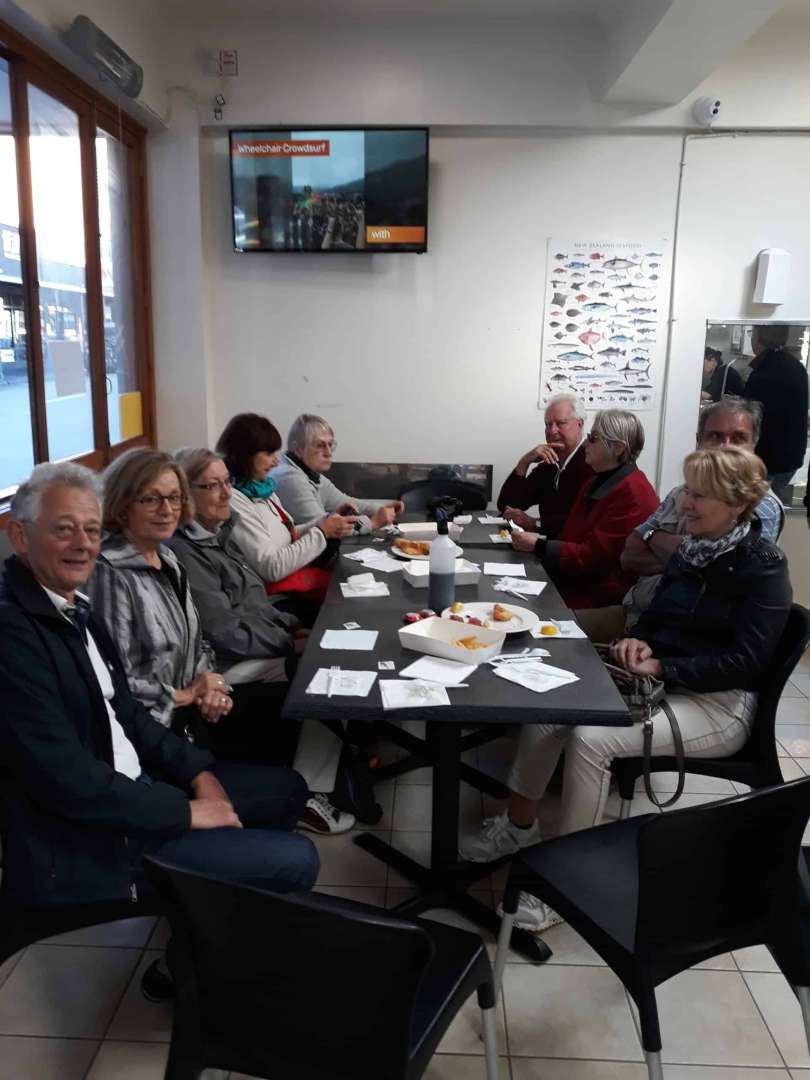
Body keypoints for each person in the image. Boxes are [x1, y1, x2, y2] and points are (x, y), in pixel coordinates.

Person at [0, 462, 319, 996]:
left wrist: (199, 775)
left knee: (286, 790)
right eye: (63, 529)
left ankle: (205, 935)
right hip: (92, 842)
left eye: (91, 529)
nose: (82, 544)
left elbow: (126, 714)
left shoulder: (72, 606)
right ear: (18, 534)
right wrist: (188, 811)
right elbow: (68, 782)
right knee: (295, 859)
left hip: (139, 791)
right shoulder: (14, 635)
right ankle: (202, 978)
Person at [462, 448, 791, 933]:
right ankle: (518, 826)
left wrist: (664, 664)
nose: (688, 505)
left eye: (701, 496)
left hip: (718, 704)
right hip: (660, 681)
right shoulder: (693, 549)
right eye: (690, 492)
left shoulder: (763, 567)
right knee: (553, 704)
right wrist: (641, 641)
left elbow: (747, 662)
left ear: (738, 503)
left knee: (593, 741)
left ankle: (568, 885)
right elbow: (657, 615)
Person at [169, 447, 355, 835]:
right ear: (186, 495)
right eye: (212, 486)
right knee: (324, 674)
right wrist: (292, 646)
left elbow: (256, 603)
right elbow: (227, 633)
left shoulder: (221, 533)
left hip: (258, 644)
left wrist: (292, 628)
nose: (225, 493)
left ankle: (331, 772)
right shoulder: (185, 553)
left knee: (335, 653)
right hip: (226, 665)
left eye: (226, 483)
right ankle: (309, 794)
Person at [578, 397, 785, 642]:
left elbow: (715, 574)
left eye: (738, 438)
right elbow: (630, 555)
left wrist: (654, 538)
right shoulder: (682, 492)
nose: (725, 447)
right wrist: (672, 546)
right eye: (715, 436)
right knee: (548, 628)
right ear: (699, 440)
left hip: (680, 637)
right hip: (637, 615)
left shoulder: (763, 505)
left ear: (754, 444)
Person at [510, 409, 658, 609]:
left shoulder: (634, 495)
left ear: (618, 448)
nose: (586, 443)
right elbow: (570, 537)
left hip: (597, 598)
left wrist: (539, 546)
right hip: (570, 582)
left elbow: (594, 558)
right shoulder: (594, 483)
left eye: (593, 438)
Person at [217, 412, 356, 620]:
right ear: (247, 454)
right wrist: (322, 532)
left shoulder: (263, 489)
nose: (275, 462)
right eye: (269, 454)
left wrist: (322, 523)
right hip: (272, 600)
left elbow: (287, 534)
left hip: (290, 584)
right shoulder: (235, 501)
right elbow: (271, 568)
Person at [270, 414, 404, 534]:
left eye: (330, 445)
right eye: (320, 445)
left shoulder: (309, 472)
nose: (329, 453)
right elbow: (325, 528)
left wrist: (383, 508)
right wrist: (374, 523)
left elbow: (347, 501)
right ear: (298, 449)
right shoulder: (290, 478)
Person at [497, 393, 594, 539]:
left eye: (560, 423)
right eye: (548, 424)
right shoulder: (549, 464)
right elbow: (507, 506)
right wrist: (524, 462)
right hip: (546, 548)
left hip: (573, 552)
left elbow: (584, 520)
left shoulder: (593, 462)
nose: (552, 431)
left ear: (579, 425)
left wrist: (535, 523)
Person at [742, 323, 809, 501]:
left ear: (759, 338)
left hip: (769, 459)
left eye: (752, 333)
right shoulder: (795, 366)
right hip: (790, 457)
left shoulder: (766, 371)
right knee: (770, 506)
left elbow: (749, 416)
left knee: (755, 513)